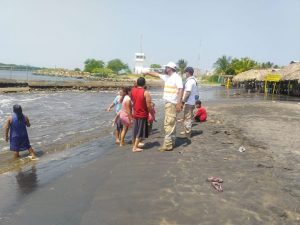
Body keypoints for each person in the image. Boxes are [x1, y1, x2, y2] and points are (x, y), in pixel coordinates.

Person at [144, 61, 183, 151]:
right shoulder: (168, 77)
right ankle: (171, 141)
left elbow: (181, 89)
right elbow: (156, 74)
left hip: (172, 103)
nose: (165, 69)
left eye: (166, 67)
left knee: (168, 123)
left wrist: (179, 103)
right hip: (169, 103)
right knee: (171, 123)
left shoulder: (176, 77)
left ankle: (168, 145)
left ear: (170, 69)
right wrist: (147, 72)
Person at [131, 77, 153, 152]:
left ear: (137, 83)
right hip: (142, 114)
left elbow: (133, 100)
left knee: (135, 130)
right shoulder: (145, 92)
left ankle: (135, 144)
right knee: (140, 131)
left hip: (135, 113)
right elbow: (149, 106)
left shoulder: (133, 90)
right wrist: (152, 114)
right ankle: (135, 147)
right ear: (144, 83)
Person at [181, 67, 199, 137]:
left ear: (188, 72)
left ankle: (188, 133)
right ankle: (186, 131)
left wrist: (182, 102)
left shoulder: (190, 81)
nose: (185, 73)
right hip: (191, 102)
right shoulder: (193, 80)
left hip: (189, 103)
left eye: (185, 72)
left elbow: (188, 93)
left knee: (187, 118)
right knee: (187, 118)